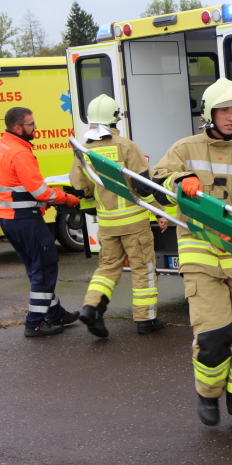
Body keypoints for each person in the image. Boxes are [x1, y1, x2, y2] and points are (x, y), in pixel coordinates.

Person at [153, 78, 232, 433]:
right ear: (209, 113)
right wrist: (181, 181)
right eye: (224, 109)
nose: (231, 116)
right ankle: (208, 392)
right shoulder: (184, 148)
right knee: (214, 336)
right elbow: (157, 182)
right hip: (200, 253)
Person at [70, 94, 166, 338]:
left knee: (107, 268)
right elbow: (143, 186)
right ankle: (146, 320)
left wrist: (95, 202)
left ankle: (91, 307)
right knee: (143, 269)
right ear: (115, 119)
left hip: (107, 223)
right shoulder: (126, 146)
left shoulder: (84, 150)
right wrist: (160, 211)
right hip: (134, 221)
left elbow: (80, 187)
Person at [0, 107, 81, 337]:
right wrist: (67, 198)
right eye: (31, 124)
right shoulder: (19, 152)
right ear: (18, 128)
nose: (35, 128)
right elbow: (40, 191)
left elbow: (17, 187)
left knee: (37, 268)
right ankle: (35, 323)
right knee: (43, 267)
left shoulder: (1, 144)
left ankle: (55, 314)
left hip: (10, 219)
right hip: (26, 220)